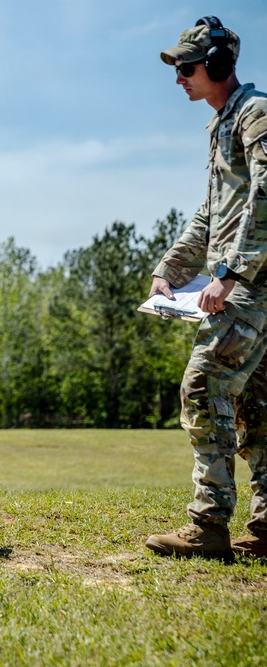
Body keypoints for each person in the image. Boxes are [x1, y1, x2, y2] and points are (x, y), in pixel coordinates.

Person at [145, 16, 267, 560]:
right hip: (249, 283)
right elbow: (209, 214)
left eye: (187, 68)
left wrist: (231, 272)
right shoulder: (224, 124)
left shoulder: (255, 113)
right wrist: (171, 269)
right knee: (258, 406)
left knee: (203, 384)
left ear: (217, 66)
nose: (179, 80)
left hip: (251, 286)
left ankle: (208, 524)